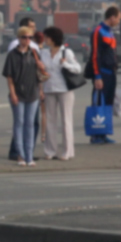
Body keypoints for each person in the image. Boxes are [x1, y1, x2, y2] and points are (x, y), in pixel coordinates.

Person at [3, 26, 44, 166]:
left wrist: (41, 90)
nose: (27, 40)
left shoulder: (34, 53)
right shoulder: (12, 55)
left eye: (30, 38)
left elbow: (41, 75)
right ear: (19, 38)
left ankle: (29, 155)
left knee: (30, 125)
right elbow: (9, 77)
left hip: (33, 93)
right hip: (18, 94)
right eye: (24, 37)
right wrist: (13, 94)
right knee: (19, 123)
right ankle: (20, 155)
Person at [40, 27, 80, 160]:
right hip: (49, 89)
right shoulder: (44, 53)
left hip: (65, 90)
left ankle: (67, 152)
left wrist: (66, 65)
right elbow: (41, 70)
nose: (45, 39)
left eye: (47, 37)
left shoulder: (66, 52)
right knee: (50, 120)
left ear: (53, 38)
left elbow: (78, 69)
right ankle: (50, 150)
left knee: (66, 120)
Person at [89, 6, 121, 144]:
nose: (119, 21)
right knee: (98, 103)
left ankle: (104, 133)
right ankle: (95, 135)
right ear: (112, 17)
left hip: (111, 73)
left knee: (108, 103)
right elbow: (95, 55)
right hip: (102, 73)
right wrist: (97, 76)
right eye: (118, 18)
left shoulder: (110, 32)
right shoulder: (98, 31)